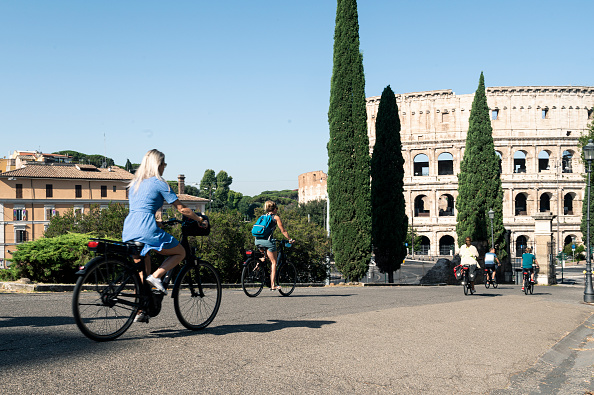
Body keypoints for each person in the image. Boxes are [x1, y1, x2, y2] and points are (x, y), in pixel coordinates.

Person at [122, 149, 207, 323]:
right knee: (180, 252)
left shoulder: (135, 184)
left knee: (141, 273)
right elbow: (182, 208)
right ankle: (157, 276)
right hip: (146, 230)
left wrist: (157, 223)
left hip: (129, 229)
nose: (164, 167)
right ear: (158, 164)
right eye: (164, 164)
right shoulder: (160, 183)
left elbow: (141, 209)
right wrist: (199, 219)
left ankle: (141, 309)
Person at [254, 201, 294, 291]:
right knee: (274, 262)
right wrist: (290, 239)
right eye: (277, 208)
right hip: (268, 242)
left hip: (257, 241)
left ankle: (257, 265)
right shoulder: (275, 217)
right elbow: (283, 230)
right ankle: (273, 285)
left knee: (264, 257)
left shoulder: (262, 217)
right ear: (274, 209)